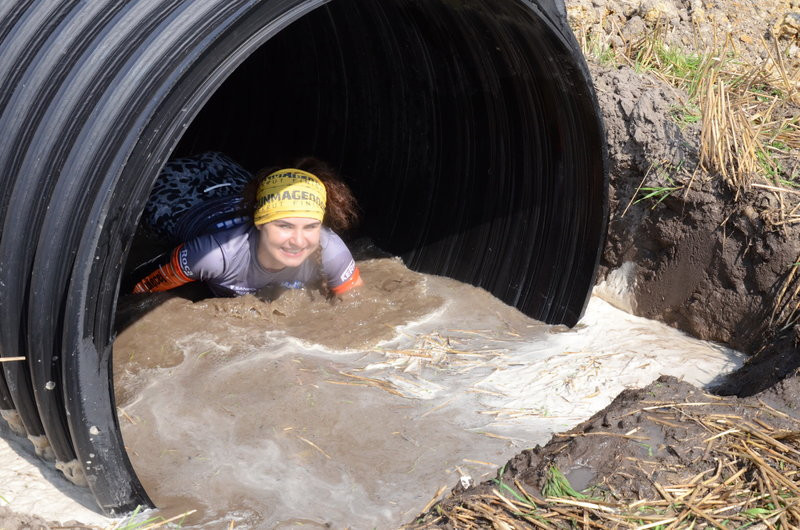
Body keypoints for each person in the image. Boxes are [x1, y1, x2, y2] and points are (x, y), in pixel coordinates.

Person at [131, 153, 363, 298]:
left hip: (230, 181)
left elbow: (358, 310)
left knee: (220, 163)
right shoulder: (213, 256)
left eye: (311, 227)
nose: (299, 241)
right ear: (260, 223)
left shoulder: (330, 249)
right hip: (178, 204)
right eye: (285, 226)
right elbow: (139, 292)